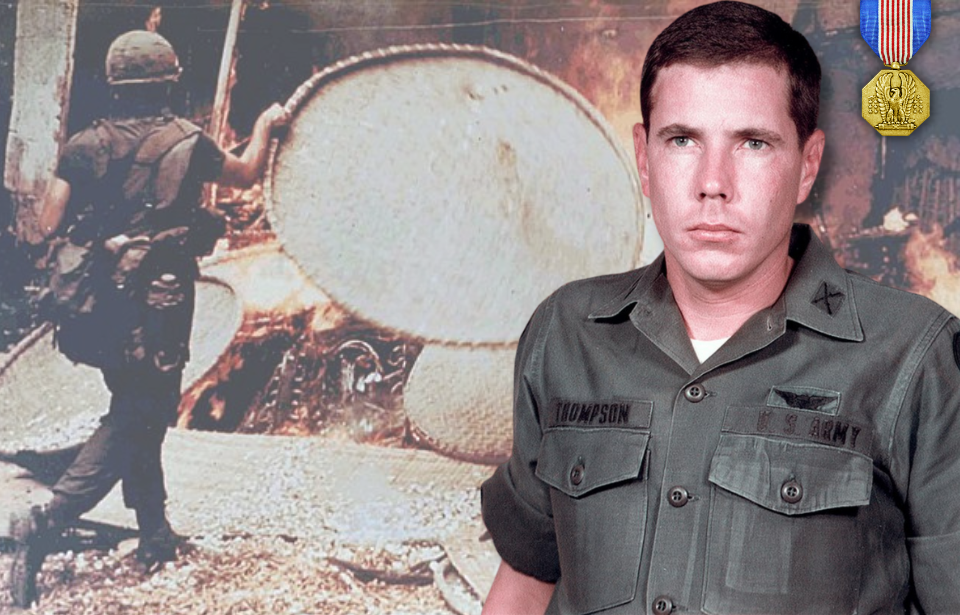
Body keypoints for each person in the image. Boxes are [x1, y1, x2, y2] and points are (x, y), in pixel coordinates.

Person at [479, 2, 960, 613]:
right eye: (682, 139)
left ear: (807, 165)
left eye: (753, 143)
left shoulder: (914, 358)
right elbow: (525, 583)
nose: (713, 181)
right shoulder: (567, 332)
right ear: (645, 156)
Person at [8, 30, 289, 607]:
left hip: (102, 302)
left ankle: (154, 533)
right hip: (161, 300)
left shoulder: (83, 145)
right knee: (142, 410)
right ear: (168, 81)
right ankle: (47, 518)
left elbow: (48, 222)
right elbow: (247, 173)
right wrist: (266, 127)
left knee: (136, 403)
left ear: (115, 86)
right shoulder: (190, 142)